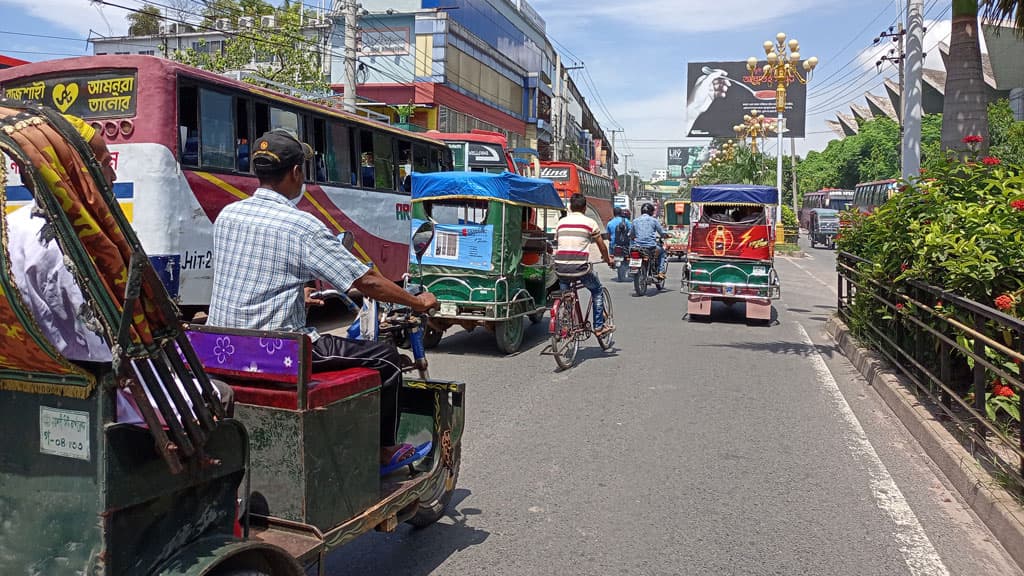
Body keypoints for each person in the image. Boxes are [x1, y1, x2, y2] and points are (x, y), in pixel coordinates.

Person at [207, 128, 437, 470]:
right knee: (387, 359)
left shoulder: (228, 216)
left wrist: (297, 292)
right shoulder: (301, 226)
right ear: (297, 172)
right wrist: (418, 303)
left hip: (223, 345)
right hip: (280, 351)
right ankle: (383, 451)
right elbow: (367, 281)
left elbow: (252, 273)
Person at [5, 114, 231, 423]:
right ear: (77, 173)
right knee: (219, 393)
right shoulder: (78, 247)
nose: (113, 176)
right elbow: (108, 352)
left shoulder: (11, 225)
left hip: (32, 386)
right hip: (96, 399)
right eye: (104, 164)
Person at [553, 193, 615, 337]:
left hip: (560, 268)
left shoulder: (561, 223)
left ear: (570, 207)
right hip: (580, 268)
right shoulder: (589, 223)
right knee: (597, 290)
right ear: (585, 208)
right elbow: (602, 246)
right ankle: (599, 327)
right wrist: (608, 260)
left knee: (566, 294)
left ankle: (566, 322)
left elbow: (559, 242)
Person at [630, 202, 669, 281]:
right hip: (650, 247)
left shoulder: (635, 221)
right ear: (651, 211)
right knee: (662, 252)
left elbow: (631, 234)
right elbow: (661, 232)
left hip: (637, 247)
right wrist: (666, 235)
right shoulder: (654, 221)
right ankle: (661, 272)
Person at [606, 207, 632, 282]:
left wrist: (612, 240)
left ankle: (612, 260)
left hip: (614, 245)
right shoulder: (626, 221)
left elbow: (608, 236)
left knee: (611, 253)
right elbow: (631, 232)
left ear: (613, 213)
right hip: (625, 244)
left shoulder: (609, 223)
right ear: (621, 213)